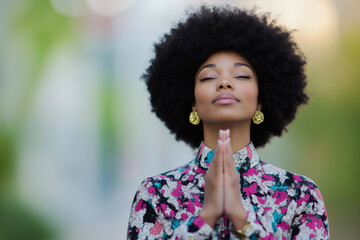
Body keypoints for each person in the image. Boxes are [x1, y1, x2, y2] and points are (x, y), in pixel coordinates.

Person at [127, 5, 329, 240]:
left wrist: (242, 223)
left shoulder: (302, 194)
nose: (224, 83)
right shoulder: (154, 194)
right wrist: (205, 218)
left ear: (260, 101)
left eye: (241, 76)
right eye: (209, 77)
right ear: (192, 102)